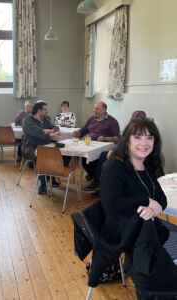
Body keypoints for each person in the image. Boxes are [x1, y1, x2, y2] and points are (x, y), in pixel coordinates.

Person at [100, 118, 177, 298]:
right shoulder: (114, 166)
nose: (144, 143)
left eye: (149, 138)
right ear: (127, 140)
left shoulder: (148, 165)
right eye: (138, 137)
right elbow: (111, 206)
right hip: (122, 232)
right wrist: (146, 201)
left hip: (144, 229)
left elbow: (162, 199)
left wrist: (153, 208)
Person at [73, 101, 120, 192]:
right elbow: (84, 130)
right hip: (90, 145)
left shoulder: (112, 121)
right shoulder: (91, 119)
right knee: (84, 160)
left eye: (97, 109)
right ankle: (94, 176)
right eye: (94, 108)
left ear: (104, 110)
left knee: (99, 160)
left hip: (103, 148)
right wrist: (78, 133)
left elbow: (118, 138)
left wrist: (105, 138)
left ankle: (96, 181)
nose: (94, 110)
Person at [22, 101, 61, 194]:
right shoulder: (28, 120)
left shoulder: (45, 119)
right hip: (30, 147)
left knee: (60, 152)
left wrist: (52, 130)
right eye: (45, 110)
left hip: (45, 146)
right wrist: (49, 133)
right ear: (39, 110)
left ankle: (52, 176)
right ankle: (43, 184)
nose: (47, 111)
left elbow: (55, 128)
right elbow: (37, 133)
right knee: (43, 154)